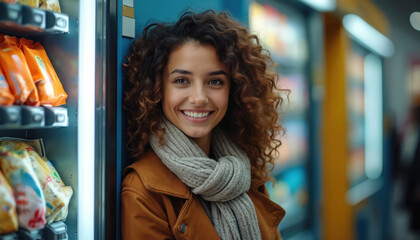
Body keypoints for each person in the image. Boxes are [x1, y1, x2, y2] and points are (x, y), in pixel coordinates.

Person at [121, 10, 286, 240]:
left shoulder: (243, 172)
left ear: (234, 90)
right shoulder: (143, 191)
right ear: (158, 88)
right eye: (181, 81)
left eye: (215, 81)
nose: (199, 98)